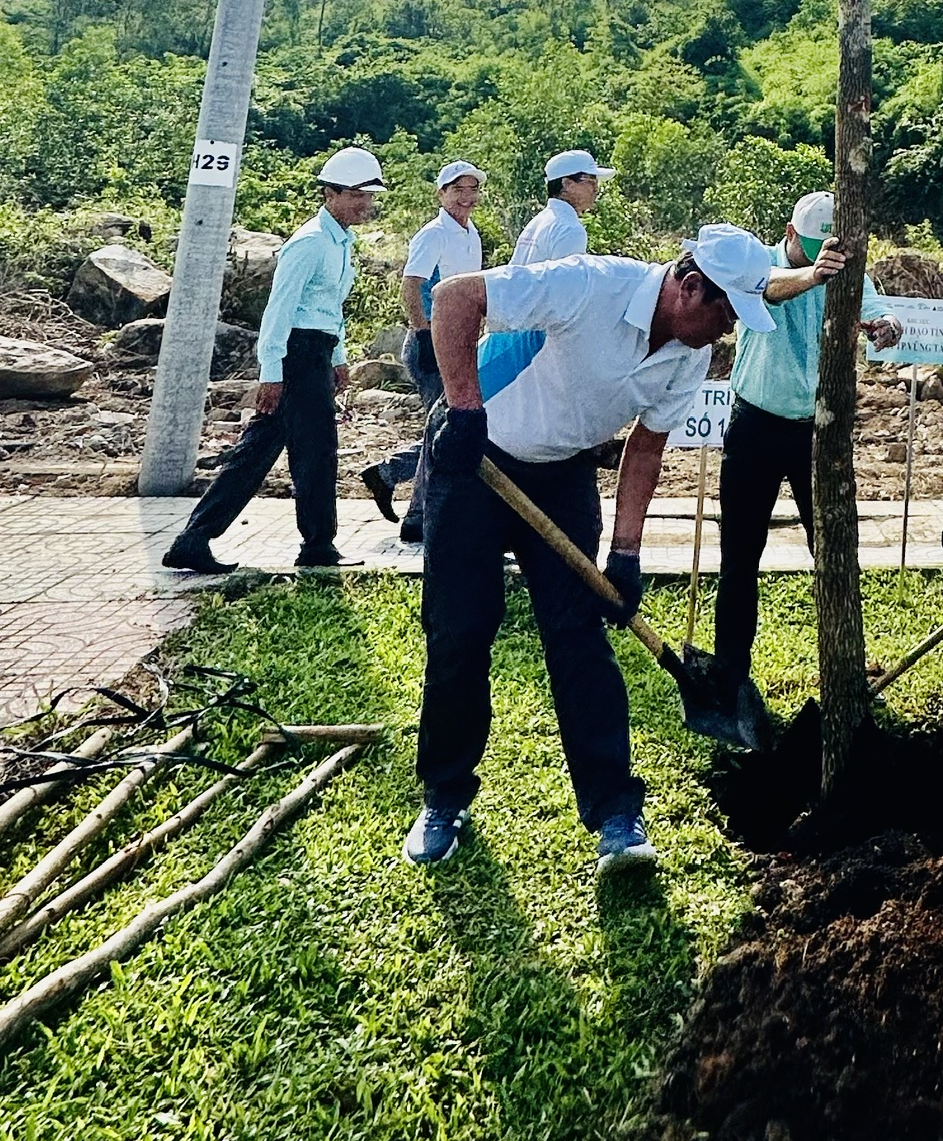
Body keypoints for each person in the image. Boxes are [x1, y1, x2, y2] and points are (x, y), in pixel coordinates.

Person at [409, 223, 841, 875]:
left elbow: (645, 446)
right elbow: (456, 298)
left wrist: (628, 552)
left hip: (562, 478)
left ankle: (616, 814)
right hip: (476, 466)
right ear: (689, 286)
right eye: (725, 311)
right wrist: (465, 411)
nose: (727, 330)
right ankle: (445, 797)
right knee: (460, 633)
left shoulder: (691, 353)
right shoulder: (589, 283)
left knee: (580, 640)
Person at [161, 147, 385, 576]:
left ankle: (196, 539)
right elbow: (279, 312)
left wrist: (336, 357)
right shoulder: (309, 243)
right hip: (295, 355)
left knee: (267, 452)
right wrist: (271, 373)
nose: (364, 204)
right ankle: (316, 544)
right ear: (330, 194)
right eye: (356, 195)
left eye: (368, 196)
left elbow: (328, 308)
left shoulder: (340, 242)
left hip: (314, 352)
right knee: (312, 453)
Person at [713, 190, 903, 694]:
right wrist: (813, 276)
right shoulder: (763, 263)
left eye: (830, 249)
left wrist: (887, 325)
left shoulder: (844, 268)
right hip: (754, 426)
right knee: (739, 557)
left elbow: (881, 310)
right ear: (791, 234)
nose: (823, 257)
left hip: (816, 435)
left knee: (834, 549)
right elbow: (769, 289)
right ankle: (732, 672)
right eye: (813, 248)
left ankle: (844, 668)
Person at [362, 160, 485, 537]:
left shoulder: (470, 233)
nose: (465, 197)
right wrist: (422, 332)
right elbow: (411, 284)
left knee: (447, 426)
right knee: (447, 427)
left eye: (471, 189)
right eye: (457, 189)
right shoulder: (434, 234)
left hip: (459, 342)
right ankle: (417, 517)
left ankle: (392, 476)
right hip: (432, 343)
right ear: (441, 193)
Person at [512, 149, 612, 266]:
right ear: (567, 184)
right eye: (591, 181)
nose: (596, 189)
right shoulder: (570, 229)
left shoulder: (536, 223)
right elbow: (566, 281)